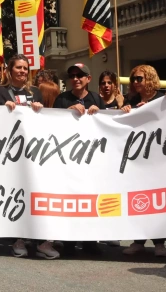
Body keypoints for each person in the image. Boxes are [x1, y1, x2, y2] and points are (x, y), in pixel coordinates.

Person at [0, 55, 58, 260]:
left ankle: (41, 241)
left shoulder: (35, 92)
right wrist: (0, 110)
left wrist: (39, 109)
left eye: (25, 68)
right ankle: (18, 239)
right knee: (16, 194)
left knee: (35, 193)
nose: (22, 71)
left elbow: (43, 119)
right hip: (9, 151)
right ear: (9, 70)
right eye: (18, 67)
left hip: (32, 151)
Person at [54, 63, 104, 256]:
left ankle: (91, 242)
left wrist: (99, 112)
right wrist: (67, 111)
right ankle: (69, 242)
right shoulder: (62, 99)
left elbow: (107, 124)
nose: (75, 79)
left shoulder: (96, 98)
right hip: (69, 158)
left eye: (80, 75)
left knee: (90, 199)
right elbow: (51, 123)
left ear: (88, 79)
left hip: (92, 159)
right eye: (72, 76)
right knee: (71, 199)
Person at [120, 65, 166, 258]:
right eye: (133, 79)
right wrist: (125, 110)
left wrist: (150, 110)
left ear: (149, 78)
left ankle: (160, 243)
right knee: (139, 199)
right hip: (137, 158)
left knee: (157, 201)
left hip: (158, 156)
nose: (135, 82)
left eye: (139, 78)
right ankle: (138, 241)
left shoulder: (163, 98)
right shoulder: (131, 100)